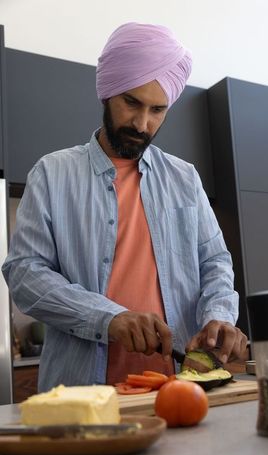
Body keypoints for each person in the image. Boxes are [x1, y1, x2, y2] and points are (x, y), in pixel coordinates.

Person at [2, 22, 247, 392]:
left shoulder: (185, 179)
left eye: (157, 110)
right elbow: (24, 273)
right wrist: (109, 319)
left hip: (179, 390)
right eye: (131, 102)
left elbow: (215, 263)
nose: (142, 123)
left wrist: (218, 317)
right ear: (107, 93)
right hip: (82, 393)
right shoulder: (51, 174)